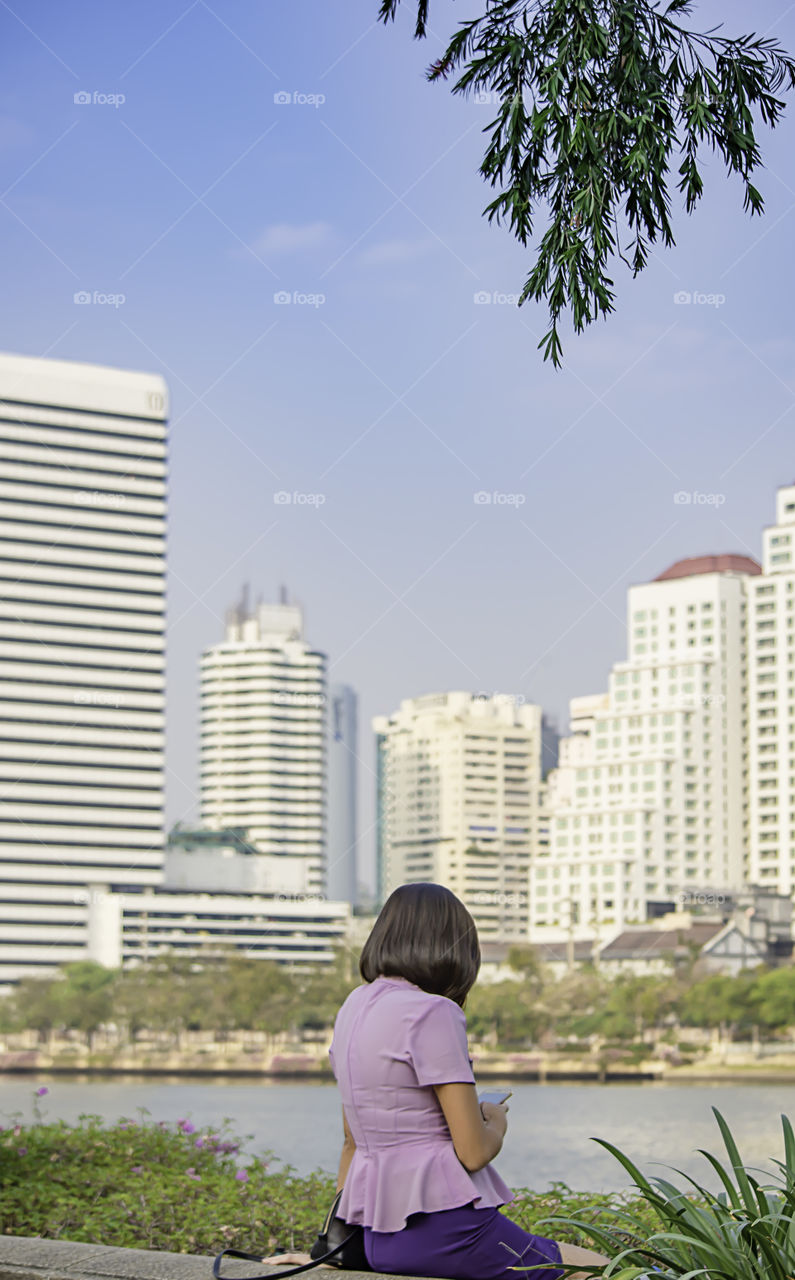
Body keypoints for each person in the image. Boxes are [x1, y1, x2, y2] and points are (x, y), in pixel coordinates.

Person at [326, 882, 609, 1280]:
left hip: (375, 1242)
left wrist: (329, 1242)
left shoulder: (353, 1006)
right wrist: (496, 1120)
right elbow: (474, 1153)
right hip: (447, 1236)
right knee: (611, 1270)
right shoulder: (434, 1011)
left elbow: (352, 1142)